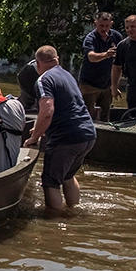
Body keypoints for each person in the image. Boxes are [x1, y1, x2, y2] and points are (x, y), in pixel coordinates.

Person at [25, 46, 97, 210]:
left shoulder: (44, 80)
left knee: (51, 181)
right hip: (88, 134)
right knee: (68, 175)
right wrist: (39, 129)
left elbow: (47, 111)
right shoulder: (67, 75)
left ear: (37, 63)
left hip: (66, 138)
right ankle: (73, 211)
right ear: (56, 59)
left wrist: (34, 138)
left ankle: (54, 223)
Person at [79, 12, 124, 119]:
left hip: (106, 84)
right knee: (87, 115)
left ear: (111, 24)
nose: (104, 29)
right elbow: (91, 56)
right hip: (89, 84)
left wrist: (114, 85)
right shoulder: (90, 38)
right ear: (95, 24)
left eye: (107, 26)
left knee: (105, 114)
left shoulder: (116, 36)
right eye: (101, 26)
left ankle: (104, 134)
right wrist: (106, 54)